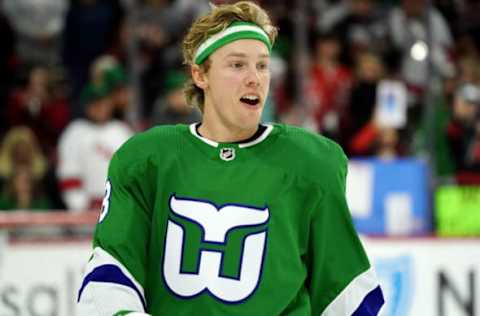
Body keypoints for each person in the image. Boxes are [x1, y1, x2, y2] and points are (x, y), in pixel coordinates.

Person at [77, 2, 384, 315]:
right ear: (200, 74)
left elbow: (346, 293)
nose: (254, 78)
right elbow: (110, 282)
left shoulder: (312, 164)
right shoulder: (146, 161)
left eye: (262, 66)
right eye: (237, 65)